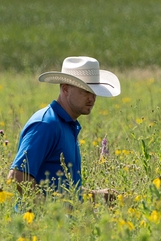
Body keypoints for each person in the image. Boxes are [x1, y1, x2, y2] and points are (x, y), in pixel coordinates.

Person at [7, 56, 121, 200]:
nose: (91, 98)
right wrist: (48, 212)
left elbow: (60, 187)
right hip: (37, 222)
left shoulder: (66, 125)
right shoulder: (46, 124)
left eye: (94, 92)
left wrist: (94, 196)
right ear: (65, 89)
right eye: (85, 91)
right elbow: (17, 176)